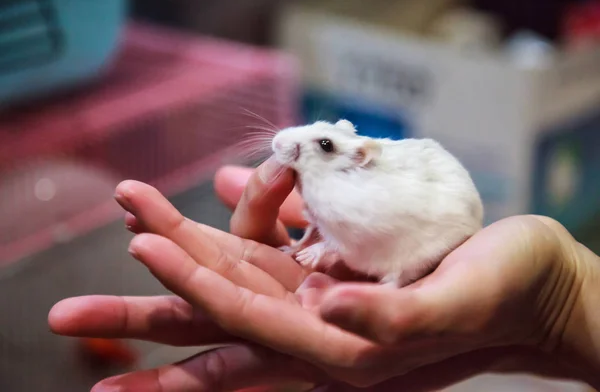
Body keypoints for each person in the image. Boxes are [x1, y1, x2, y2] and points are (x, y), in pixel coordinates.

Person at [48, 157, 600, 392]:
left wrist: (567, 295)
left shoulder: (371, 199)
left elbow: (365, 231)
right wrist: (562, 303)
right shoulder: (328, 195)